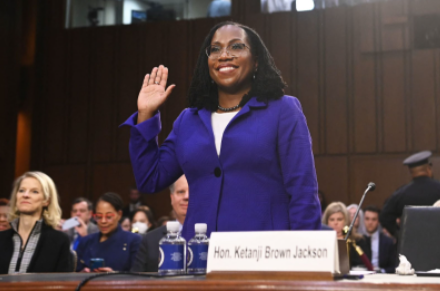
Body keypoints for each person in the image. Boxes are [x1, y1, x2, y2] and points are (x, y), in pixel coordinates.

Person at [122, 21, 321, 241]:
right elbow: (150, 178)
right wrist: (145, 115)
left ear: (256, 62)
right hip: (199, 259)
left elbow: (303, 191)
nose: (224, 55)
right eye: (215, 49)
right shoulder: (188, 120)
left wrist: (305, 258)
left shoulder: (283, 110)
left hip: (263, 257)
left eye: (237, 46)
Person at [0, 171, 71, 274]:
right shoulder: (1, 238)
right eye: (21, 190)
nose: (26, 195)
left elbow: (63, 284)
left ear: (46, 201)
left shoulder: (59, 240)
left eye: (34, 192)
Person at [131, 175, 188, 272]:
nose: (187, 196)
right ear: (172, 198)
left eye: (193, 191)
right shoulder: (150, 240)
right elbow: (136, 281)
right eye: (181, 192)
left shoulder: (215, 236)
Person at [76, 192, 141, 272]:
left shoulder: (133, 240)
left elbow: (138, 276)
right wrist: (81, 274)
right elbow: (74, 273)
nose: (103, 221)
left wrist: (114, 275)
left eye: (109, 217)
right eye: (99, 217)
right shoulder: (86, 241)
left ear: (119, 215)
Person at [380, 151, 440, 237]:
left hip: (410, 244)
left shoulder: (401, 193)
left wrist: (399, 234)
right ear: (428, 169)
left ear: (411, 172)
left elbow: (384, 216)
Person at [322, 202, 367, 268]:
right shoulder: (322, 241)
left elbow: (362, 265)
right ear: (326, 222)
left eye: (339, 219)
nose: (335, 223)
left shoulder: (359, 241)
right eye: (332, 219)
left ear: (346, 221)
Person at [363, 205, 397, 273]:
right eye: (367, 219)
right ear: (363, 220)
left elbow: (394, 266)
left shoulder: (388, 242)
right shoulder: (357, 241)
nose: (370, 222)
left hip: (382, 277)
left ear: (378, 221)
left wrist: (381, 271)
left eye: (373, 219)